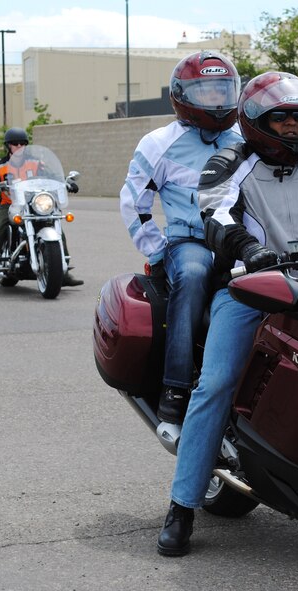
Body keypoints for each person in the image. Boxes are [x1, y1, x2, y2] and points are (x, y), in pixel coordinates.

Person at [155, 72, 298, 556]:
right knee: (217, 383)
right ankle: (182, 507)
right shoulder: (230, 163)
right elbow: (217, 215)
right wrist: (251, 248)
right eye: (280, 118)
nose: (291, 126)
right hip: (252, 287)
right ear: (254, 122)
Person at [119, 51, 242, 424]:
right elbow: (134, 202)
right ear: (182, 96)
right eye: (206, 92)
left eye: (223, 90)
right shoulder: (158, 143)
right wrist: (157, 253)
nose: (217, 101)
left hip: (240, 242)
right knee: (191, 275)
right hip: (190, 242)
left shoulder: (244, 138)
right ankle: (175, 389)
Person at [0, 127, 82, 295]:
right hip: (10, 205)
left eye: (22, 144)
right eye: (14, 144)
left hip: (36, 203)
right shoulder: (1, 167)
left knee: (57, 228)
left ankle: (63, 273)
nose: (18, 146)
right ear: (8, 146)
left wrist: (66, 183)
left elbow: (52, 175)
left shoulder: (36, 163)